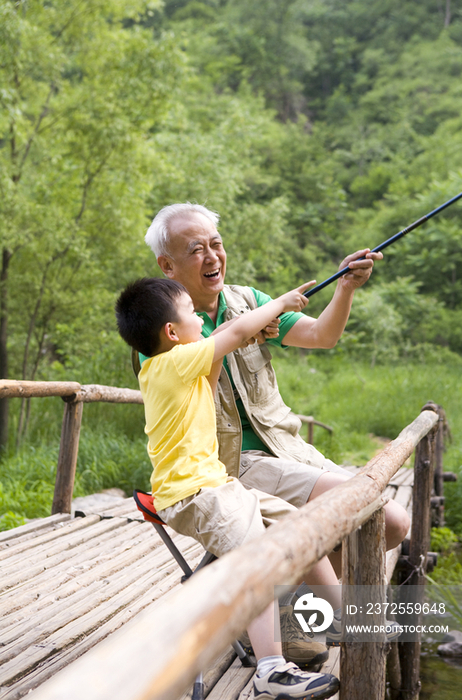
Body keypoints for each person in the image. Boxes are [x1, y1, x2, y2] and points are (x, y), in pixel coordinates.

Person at [143, 202, 411, 649]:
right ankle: (309, 612)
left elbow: (322, 335)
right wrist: (246, 330)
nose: (212, 257)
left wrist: (343, 288)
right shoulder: (158, 330)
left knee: (394, 524)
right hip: (231, 466)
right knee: (380, 515)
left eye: (217, 244)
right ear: (167, 265)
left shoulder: (250, 302)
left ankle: (294, 603)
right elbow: (208, 354)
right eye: (196, 250)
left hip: (288, 449)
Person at [115, 276, 340, 700]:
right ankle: (271, 671)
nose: (200, 317)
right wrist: (280, 304)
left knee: (303, 528)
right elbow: (231, 333)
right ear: (171, 332)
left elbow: (225, 341)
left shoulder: (181, 361)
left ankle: (344, 617)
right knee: (256, 559)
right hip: (193, 493)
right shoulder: (167, 365)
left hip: (219, 484)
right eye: (190, 312)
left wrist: (248, 329)